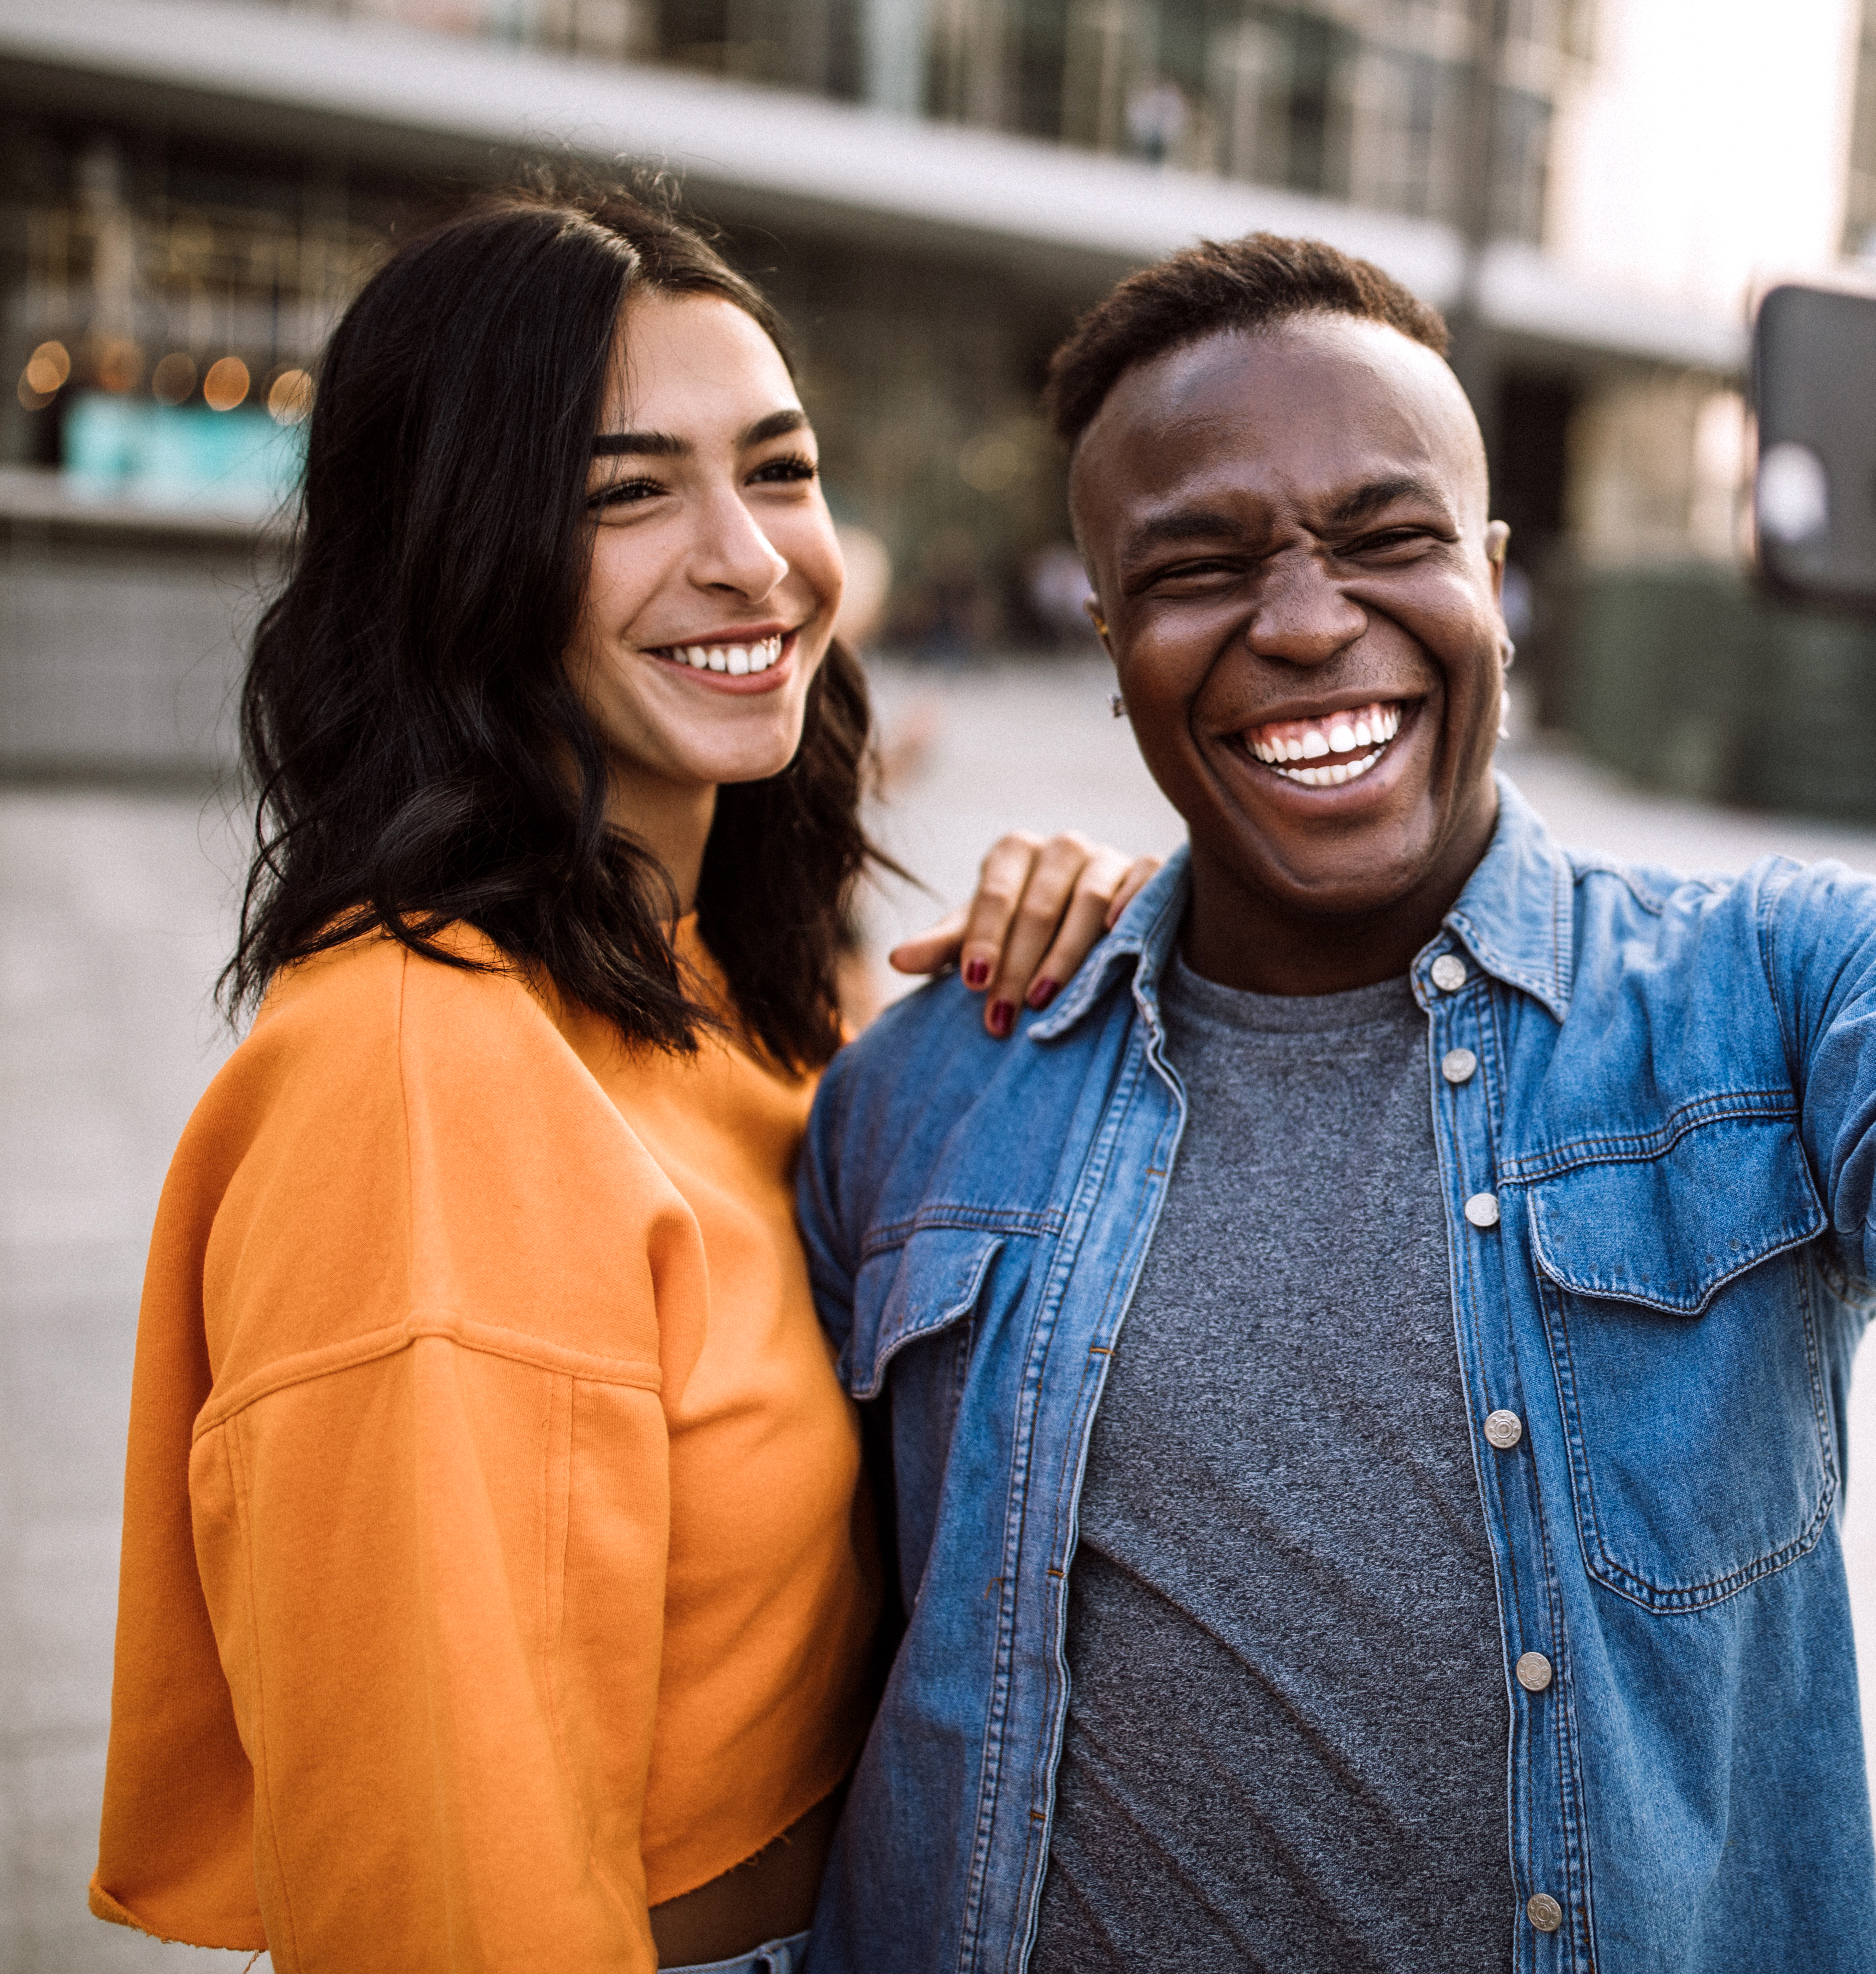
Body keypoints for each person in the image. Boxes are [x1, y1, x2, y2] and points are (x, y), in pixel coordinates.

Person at [800, 232, 1876, 1974]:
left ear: (1496, 574)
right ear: (1110, 631)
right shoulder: (921, 1095)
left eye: (1389, 539)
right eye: (1201, 567)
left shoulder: (1774, 998)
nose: (1304, 620)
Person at [90, 185, 1144, 1973]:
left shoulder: (715, 985)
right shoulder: (417, 1080)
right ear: (457, 556)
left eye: (781, 470)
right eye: (626, 492)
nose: (749, 558)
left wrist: (1094, 974)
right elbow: (444, 1875)